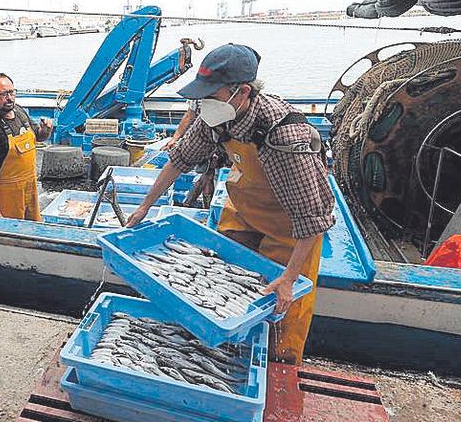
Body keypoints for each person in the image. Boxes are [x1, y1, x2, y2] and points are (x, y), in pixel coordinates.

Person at [127, 43, 335, 365]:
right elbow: (179, 159)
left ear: (242, 92)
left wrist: (290, 278)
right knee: (220, 285)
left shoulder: (284, 136)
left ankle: (277, 369)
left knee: (281, 311)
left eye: (211, 95)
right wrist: (145, 206)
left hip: (290, 229)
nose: (203, 104)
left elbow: (314, 217)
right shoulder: (217, 118)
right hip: (244, 211)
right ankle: (223, 353)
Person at [0, 73, 52, 220]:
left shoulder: (20, 112)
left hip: (30, 189)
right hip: (5, 194)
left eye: (11, 92)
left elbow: (38, 136)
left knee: (34, 231)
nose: (9, 98)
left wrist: (45, 131)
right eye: (3, 94)